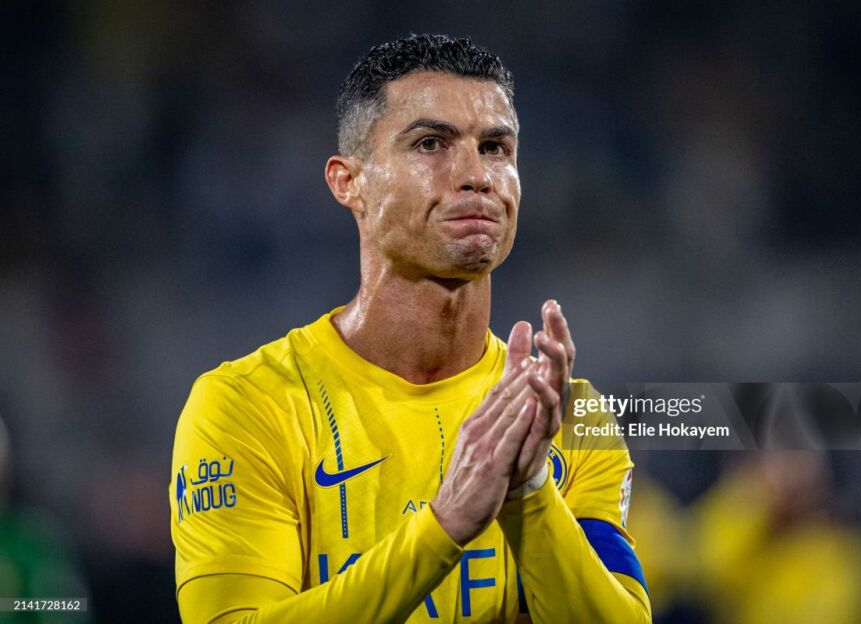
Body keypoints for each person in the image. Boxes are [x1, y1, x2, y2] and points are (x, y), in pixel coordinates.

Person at [169, 33, 650, 623]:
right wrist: (445, 526)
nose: (477, 175)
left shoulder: (570, 419)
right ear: (349, 182)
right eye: (430, 144)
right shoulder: (247, 406)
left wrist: (528, 492)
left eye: (496, 148)